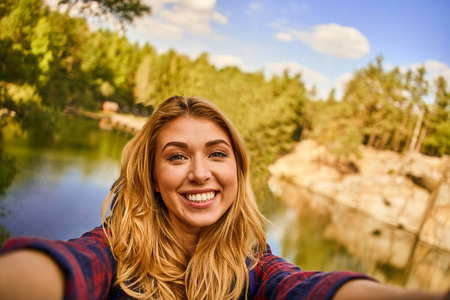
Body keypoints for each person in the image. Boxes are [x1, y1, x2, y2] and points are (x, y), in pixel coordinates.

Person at [0, 96, 447, 300]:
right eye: (177, 157)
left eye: (217, 153)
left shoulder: (255, 267)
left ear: (237, 170)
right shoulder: (115, 249)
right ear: (154, 177)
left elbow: (307, 289)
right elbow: (69, 268)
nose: (200, 173)